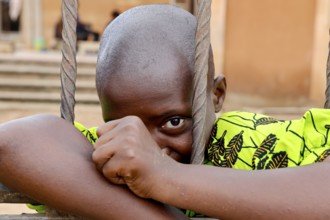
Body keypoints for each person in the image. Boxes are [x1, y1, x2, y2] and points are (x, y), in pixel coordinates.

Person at [0, 4, 329, 220]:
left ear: (216, 96)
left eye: (174, 122)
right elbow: (12, 144)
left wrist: (165, 176)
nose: (146, 145)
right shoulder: (115, 155)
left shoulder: (256, 140)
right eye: (122, 123)